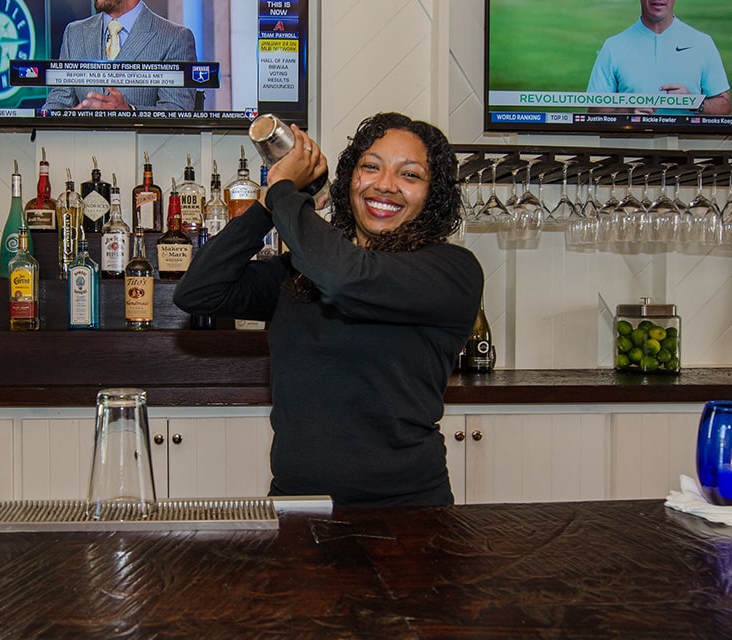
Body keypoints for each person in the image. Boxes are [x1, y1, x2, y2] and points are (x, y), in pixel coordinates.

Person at [173, 113, 484, 507]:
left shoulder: (450, 269)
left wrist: (285, 189)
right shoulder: (303, 272)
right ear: (349, 180)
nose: (385, 185)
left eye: (410, 175)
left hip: (408, 512)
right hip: (297, 505)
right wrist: (267, 207)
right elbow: (199, 292)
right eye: (370, 167)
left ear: (432, 193)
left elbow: (346, 278)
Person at [43, 0, 198, 112]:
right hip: (83, 150)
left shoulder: (175, 38)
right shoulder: (75, 33)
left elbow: (178, 111)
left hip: (144, 153)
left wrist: (129, 111)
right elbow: (58, 102)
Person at [586, 0, 730, 115]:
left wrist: (695, 103)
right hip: (632, 146)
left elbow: (725, 105)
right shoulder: (613, 46)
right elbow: (594, 111)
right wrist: (628, 111)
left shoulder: (702, 43)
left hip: (686, 146)